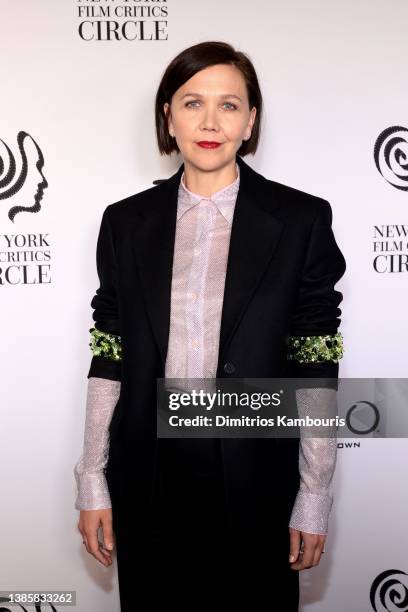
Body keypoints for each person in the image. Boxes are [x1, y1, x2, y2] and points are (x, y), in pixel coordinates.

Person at [74, 40, 346, 610]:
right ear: (167, 117)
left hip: (257, 476)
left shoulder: (300, 220)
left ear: (250, 122)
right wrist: (93, 477)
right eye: (192, 102)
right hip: (148, 473)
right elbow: (110, 353)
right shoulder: (125, 223)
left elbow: (316, 364)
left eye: (229, 105)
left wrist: (315, 492)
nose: (210, 121)